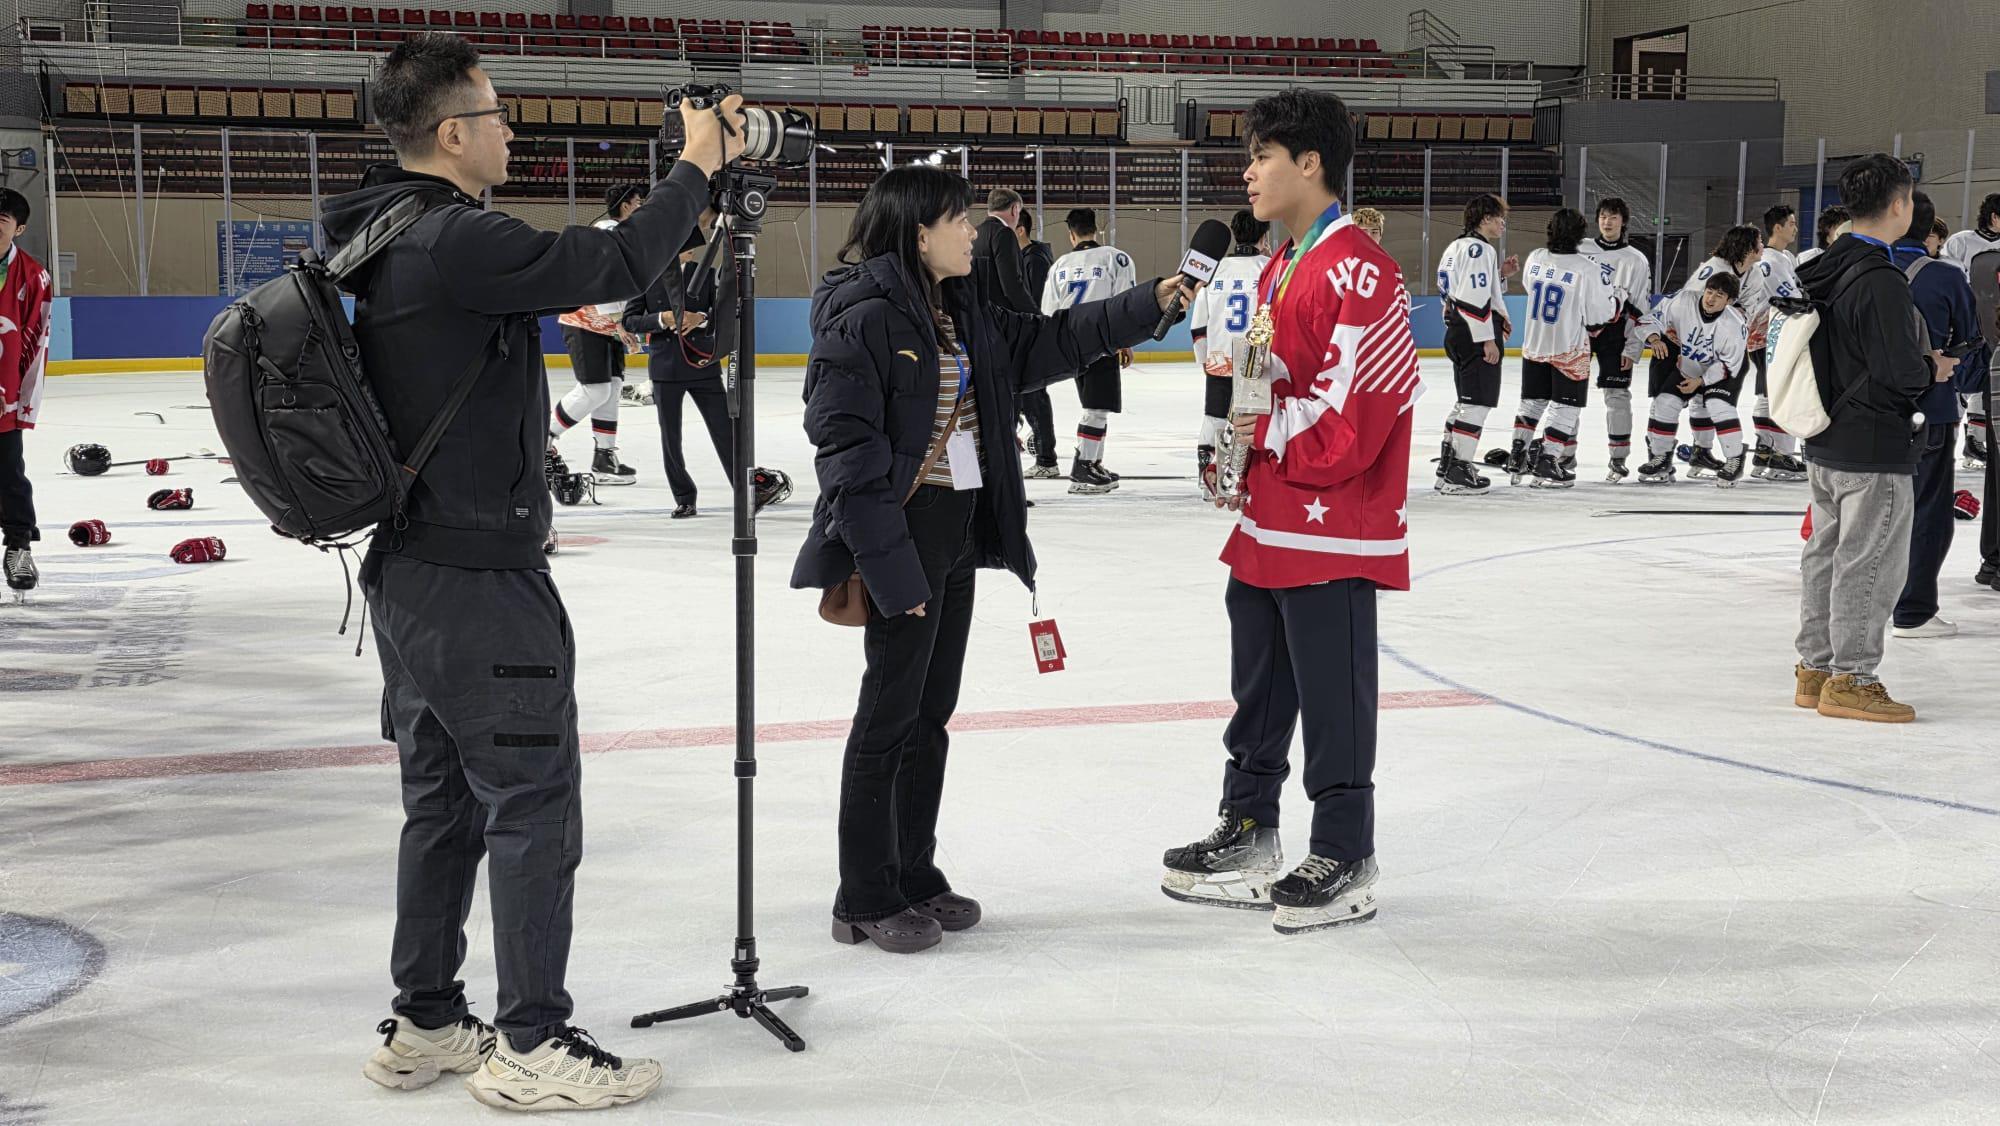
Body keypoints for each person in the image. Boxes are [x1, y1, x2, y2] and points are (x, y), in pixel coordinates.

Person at [320, 32, 740, 1108]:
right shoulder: (454, 238)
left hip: (411, 571)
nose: (511, 131)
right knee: (531, 799)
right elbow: (604, 265)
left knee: (444, 804)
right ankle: (530, 1041)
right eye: (498, 114)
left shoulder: (374, 230)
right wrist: (694, 165)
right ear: (452, 132)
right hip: (475, 577)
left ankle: (425, 1021)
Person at [792, 164, 1194, 954]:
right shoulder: (863, 319)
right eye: (959, 220)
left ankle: (913, 871)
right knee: (887, 720)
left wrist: (1148, 302)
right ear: (918, 232)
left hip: (957, 529)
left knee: (930, 716)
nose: (977, 232)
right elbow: (845, 456)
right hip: (898, 537)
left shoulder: (958, 308)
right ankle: (863, 894)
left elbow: (1051, 341)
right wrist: (890, 572)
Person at [1159, 88, 1417, 935]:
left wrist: (1262, 428)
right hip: (1269, 514)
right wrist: (1235, 436)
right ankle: (1249, 826)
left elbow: (1361, 413)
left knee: (1333, 693)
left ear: (1310, 164)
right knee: (1260, 685)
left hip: (1333, 522)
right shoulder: (1280, 262)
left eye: (1262, 155)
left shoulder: (1363, 269)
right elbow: (1273, 383)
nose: (1249, 172)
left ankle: (1345, 849)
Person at [1793, 153, 1942, 724]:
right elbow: (1900, 370)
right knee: (1871, 561)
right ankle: (1852, 678)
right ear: (1900, 205)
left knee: (1826, 554)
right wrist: (1932, 368)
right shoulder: (1880, 278)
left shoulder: (1819, 266)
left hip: (1826, 435)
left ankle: (1815, 669)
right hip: (1874, 441)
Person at [1889, 198, 1989, 639]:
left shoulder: (1852, 268)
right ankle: (1913, 610)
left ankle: (1858, 607)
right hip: (1928, 409)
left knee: (1864, 511)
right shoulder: (1945, 276)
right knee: (1927, 507)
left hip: (1857, 412)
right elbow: (1971, 346)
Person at [622, 210, 736, 518]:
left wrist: (701, 319)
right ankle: (685, 496)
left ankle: (744, 489)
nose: (688, 246)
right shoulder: (649, 278)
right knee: (670, 437)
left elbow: (721, 313)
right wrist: (663, 318)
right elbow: (629, 319)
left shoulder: (704, 273)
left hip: (702, 364)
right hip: (666, 368)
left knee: (726, 430)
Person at [1506, 208, 1619, 488]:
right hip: (1568, 345)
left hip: (1534, 342)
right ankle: (1548, 459)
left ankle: (1518, 454)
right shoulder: (1586, 268)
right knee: (1566, 406)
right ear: (1580, 235)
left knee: (1531, 401)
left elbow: (1531, 288)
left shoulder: (1535, 258)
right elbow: (1598, 316)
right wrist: (1616, 301)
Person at [551, 182, 648, 486]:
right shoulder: (608, 231)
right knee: (594, 390)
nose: (642, 207)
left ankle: (604, 457)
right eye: (638, 202)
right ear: (626, 206)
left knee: (613, 386)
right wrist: (620, 324)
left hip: (605, 327)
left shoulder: (619, 233)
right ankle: (543, 437)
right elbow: (603, 280)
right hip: (584, 323)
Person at [1041, 207, 1138, 494]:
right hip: (1101, 338)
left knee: (1098, 406)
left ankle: (1092, 463)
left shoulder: (1059, 265)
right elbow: (1125, 303)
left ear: (1071, 234)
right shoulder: (1115, 257)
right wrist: (1126, 341)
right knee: (1096, 407)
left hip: (1071, 339)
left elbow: (1048, 311)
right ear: (1095, 229)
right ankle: (1083, 468)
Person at [1626, 272, 1746, 486]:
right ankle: (1660, 458)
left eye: (1719, 295)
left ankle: (1735, 459)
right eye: (1709, 291)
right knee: (1665, 403)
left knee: (1716, 405)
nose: (1710, 298)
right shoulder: (1683, 301)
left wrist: (1701, 382)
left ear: (1729, 301)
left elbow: (1728, 365)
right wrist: (1654, 339)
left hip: (1724, 371)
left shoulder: (1734, 325)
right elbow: (1650, 319)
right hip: (1689, 366)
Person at [1435, 193, 1518, 495]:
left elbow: (1455, 289)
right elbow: (1473, 297)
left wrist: (1501, 276)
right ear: (1485, 219)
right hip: (1474, 333)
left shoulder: (1455, 247)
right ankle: (1459, 468)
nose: (1502, 224)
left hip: (1457, 330)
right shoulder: (1479, 249)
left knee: (1464, 403)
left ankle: (1447, 466)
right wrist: (1486, 340)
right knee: (1476, 404)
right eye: (1499, 218)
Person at [1190, 208, 1272, 500]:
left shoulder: (1214, 271)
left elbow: (1198, 325)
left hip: (1220, 357)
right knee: (1255, 421)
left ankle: (1207, 481)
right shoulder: (1272, 268)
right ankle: (1246, 479)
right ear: (1264, 236)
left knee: (1213, 419)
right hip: (1259, 360)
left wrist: (1204, 359)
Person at [1676, 225, 1763, 478]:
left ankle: (1724, 455)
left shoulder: (1754, 274)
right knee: (1698, 400)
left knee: (1717, 400)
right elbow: (1689, 304)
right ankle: (1701, 450)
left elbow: (1747, 312)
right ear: (1745, 246)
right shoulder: (1714, 269)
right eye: (1758, 240)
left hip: (1726, 347)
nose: (1762, 244)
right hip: (1695, 344)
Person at [0, 187, 52, 599]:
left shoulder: (34, 277)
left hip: (3, 402)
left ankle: (18, 547)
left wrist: (23, 403)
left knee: (9, 477)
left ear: (19, 228)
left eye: (1, 222)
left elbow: (36, 344)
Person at [1578, 197, 1653, 481]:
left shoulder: (1635, 260)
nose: (1607, 222)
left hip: (1616, 335)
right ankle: (1564, 453)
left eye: (1613, 217)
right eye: (1603, 217)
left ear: (1623, 222)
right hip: (1581, 332)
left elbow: (1640, 308)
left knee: (1617, 396)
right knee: (1570, 396)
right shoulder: (1581, 249)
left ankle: (1618, 458)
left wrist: (1633, 347)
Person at [1749, 205, 1808, 480]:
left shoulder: (1785, 257)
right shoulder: (1770, 261)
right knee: (1778, 394)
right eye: (1792, 223)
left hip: (1773, 335)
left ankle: (1767, 451)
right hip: (1769, 335)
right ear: (1778, 227)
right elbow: (1794, 300)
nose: (1795, 228)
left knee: (1771, 392)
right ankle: (1778, 454)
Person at [1944, 193, 1999, 471]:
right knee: (1966, 379)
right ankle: (1956, 437)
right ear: (1994, 217)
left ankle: (1976, 440)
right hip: (1968, 322)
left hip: (1997, 323)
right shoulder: (1961, 241)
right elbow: (1949, 277)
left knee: (1989, 380)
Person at [1014, 207, 1061, 479]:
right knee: (1022, 398)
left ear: (1020, 230)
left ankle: (1046, 459)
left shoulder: (1034, 260)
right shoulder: (1026, 257)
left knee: (1033, 398)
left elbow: (1033, 302)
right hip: (1025, 339)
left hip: (1031, 339)